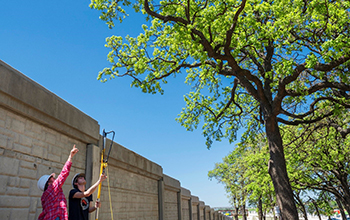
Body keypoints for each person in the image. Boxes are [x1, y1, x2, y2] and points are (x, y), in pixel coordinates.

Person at [37, 145, 79, 220]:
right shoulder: (52, 189)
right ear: (49, 183)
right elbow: (63, 174)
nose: (55, 180)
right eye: (53, 179)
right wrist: (70, 157)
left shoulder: (45, 196)